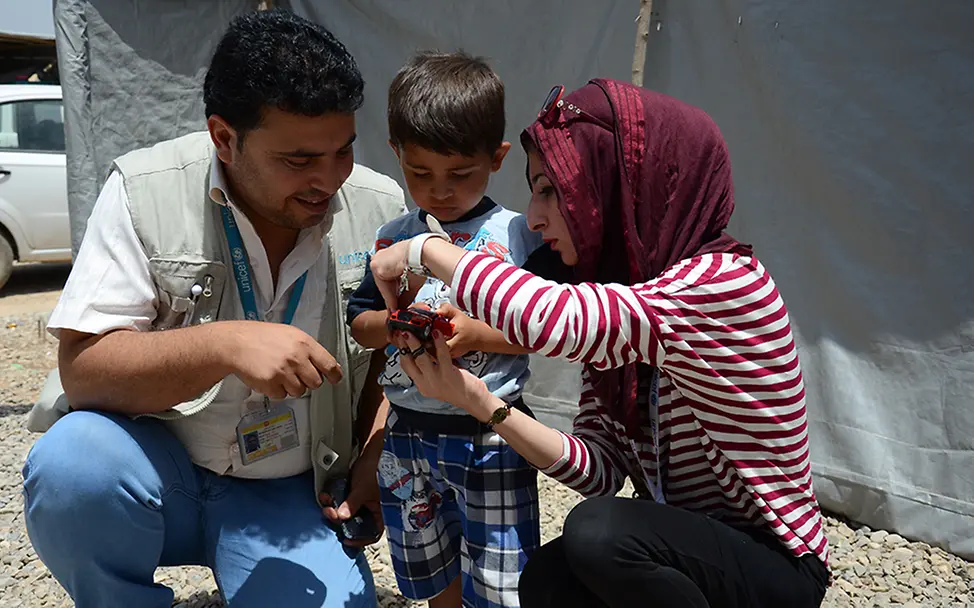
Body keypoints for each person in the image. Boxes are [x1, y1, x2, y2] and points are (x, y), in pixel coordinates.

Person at [367, 79, 832, 608]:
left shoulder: (725, 283)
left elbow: (551, 321)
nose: (535, 217)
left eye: (552, 191)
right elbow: (600, 468)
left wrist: (429, 246)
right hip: (694, 548)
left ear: (620, 187)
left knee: (598, 535)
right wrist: (475, 400)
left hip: (776, 567)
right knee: (550, 575)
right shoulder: (629, 307)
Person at [21, 10, 407, 608]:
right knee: (74, 466)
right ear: (224, 138)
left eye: (343, 151)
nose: (328, 179)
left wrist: (376, 452)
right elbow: (85, 368)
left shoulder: (379, 206)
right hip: (161, 471)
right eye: (299, 160)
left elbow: (394, 361)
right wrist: (226, 344)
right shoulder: (144, 190)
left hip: (290, 494)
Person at [345, 52, 568, 608]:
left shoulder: (519, 234)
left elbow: (549, 327)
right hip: (407, 433)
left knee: (500, 571)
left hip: (490, 433)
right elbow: (360, 322)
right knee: (427, 559)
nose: (438, 190)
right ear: (396, 153)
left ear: (497, 158)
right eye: (419, 173)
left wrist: (476, 334)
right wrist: (393, 323)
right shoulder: (393, 237)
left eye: (459, 174)